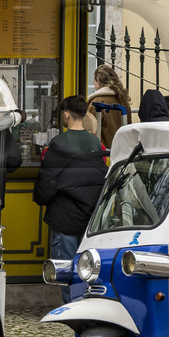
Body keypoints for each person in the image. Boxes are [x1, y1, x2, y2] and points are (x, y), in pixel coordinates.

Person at [34, 95, 109, 290]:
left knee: (67, 272)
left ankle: (71, 310)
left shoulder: (58, 143)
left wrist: (41, 199)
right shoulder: (95, 143)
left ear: (66, 114)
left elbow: (47, 181)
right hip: (90, 218)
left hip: (64, 217)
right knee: (88, 269)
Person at [88, 65, 132, 151]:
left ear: (98, 80)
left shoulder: (96, 102)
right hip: (121, 153)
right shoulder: (124, 100)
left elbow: (88, 131)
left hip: (103, 154)